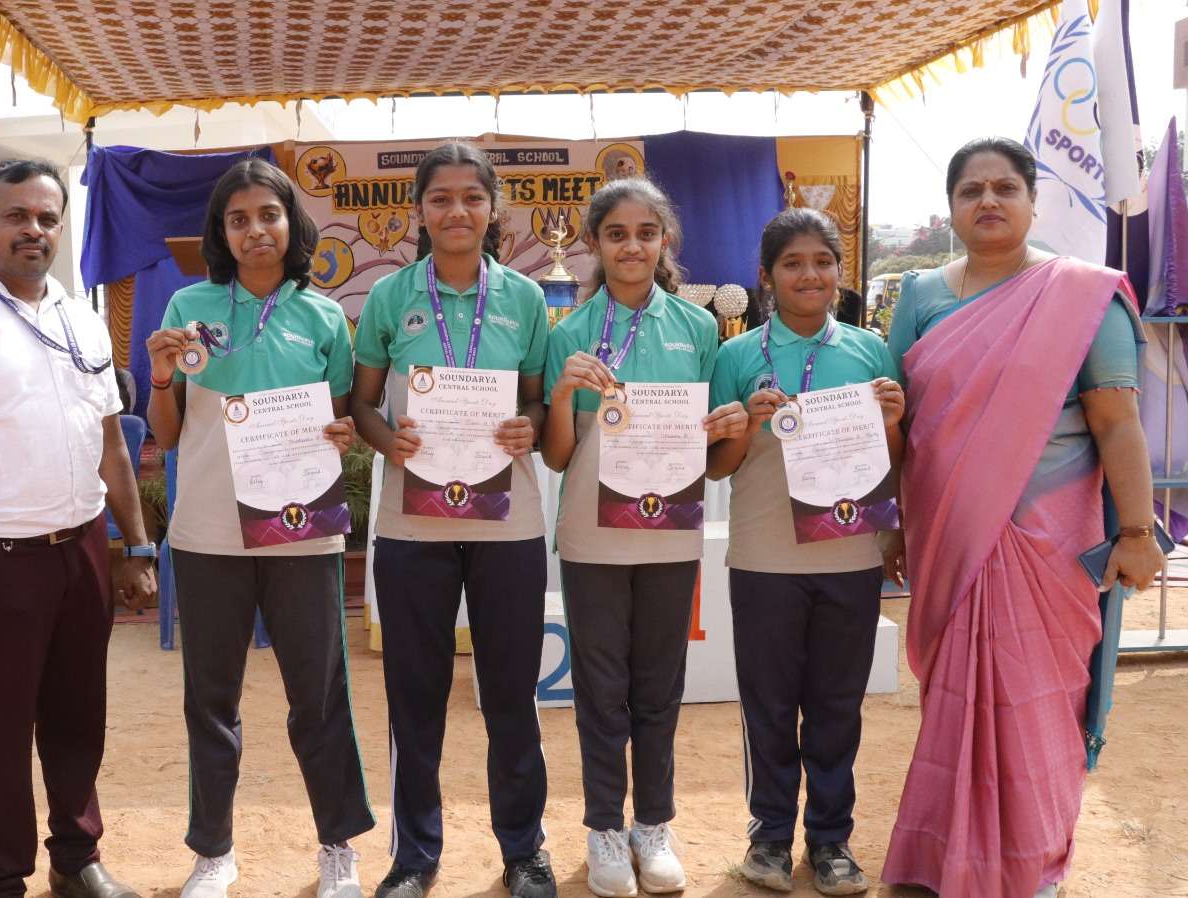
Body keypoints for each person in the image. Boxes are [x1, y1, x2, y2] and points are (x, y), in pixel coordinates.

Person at [882, 137, 1163, 898]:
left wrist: (1137, 532)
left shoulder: (1081, 295)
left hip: (1045, 542)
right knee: (956, 699)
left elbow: (1116, 422)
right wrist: (894, 524)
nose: (988, 201)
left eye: (1005, 187)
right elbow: (901, 424)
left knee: (1037, 701)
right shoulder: (920, 296)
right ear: (950, 207)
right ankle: (946, 855)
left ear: (1034, 201)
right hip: (949, 533)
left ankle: (1029, 861)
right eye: (970, 190)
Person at [0, 159, 158, 898]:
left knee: (79, 717)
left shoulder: (81, 318)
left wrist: (135, 546)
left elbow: (111, 444)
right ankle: (2, 878)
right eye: (17, 216)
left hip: (82, 547)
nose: (33, 230)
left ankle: (76, 859)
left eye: (47, 218)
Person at [144, 157, 374, 898]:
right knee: (211, 700)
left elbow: (341, 419)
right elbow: (167, 434)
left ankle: (337, 846)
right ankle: (213, 852)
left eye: (268, 215)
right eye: (237, 219)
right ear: (221, 231)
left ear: (290, 223)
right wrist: (159, 380)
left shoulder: (322, 316)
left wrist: (342, 434)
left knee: (320, 694)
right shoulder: (188, 306)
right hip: (209, 531)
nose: (255, 231)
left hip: (301, 530)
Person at [349, 142, 555, 898]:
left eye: (472, 197)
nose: (457, 210)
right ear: (420, 211)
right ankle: (414, 856)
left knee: (510, 693)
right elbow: (362, 402)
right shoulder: (388, 297)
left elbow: (535, 399)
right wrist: (388, 440)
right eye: (441, 198)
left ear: (493, 208)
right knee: (415, 694)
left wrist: (530, 426)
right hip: (414, 523)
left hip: (507, 521)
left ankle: (523, 850)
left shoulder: (525, 298)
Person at [539, 177, 747, 897]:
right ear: (594, 244)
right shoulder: (568, 332)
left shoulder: (698, 329)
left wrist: (731, 427)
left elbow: (715, 454)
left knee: (659, 686)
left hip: (668, 536)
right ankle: (604, 826)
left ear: (666, 242)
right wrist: (561, 395)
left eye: (646, 233)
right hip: (593, 537)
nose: (632, 246)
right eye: (617, 234)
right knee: (601, 689)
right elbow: (557, 457)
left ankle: (653, 825)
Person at [707, 208, 905, 896]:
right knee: (767, 704)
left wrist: (892, 420)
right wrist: (744, 425)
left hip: (850, 557)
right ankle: (767, 838)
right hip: (764, 558)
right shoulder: (736, 356)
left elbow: (894, 459)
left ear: (840, 273)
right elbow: (717, 467)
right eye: (792, 263)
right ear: (766, 277)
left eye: (823, 262)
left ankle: (830, 840)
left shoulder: (870, 352)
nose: (809, 275)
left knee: (836, 705)